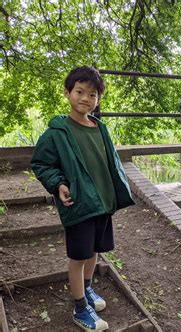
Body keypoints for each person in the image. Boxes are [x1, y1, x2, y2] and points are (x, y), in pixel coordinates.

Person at [31, 66, 135, 331]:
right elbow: (42, 164)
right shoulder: (58, 132)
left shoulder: (100, 128)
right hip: (79, 205)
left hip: (102, 203)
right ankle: (80, 309)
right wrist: (58, 185)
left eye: (92, 94)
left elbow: (110, 164)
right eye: (79, 91)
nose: (86, 98)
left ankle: (87, 291)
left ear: (98, 99)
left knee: (94, 252)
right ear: (67, 93)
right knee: (78, 258)